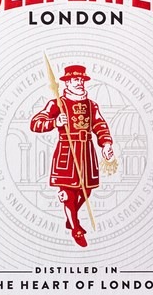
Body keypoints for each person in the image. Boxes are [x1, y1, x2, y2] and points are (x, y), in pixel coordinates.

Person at [30, 64, 114, 248]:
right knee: (68, 194)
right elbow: (35, 123)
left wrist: (106, 144)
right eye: (75, 79)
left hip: (87, 153)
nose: (79, 83)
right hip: (67, 153)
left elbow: (99, 125)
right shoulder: (57, 104)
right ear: (67, 82)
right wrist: (55, 121)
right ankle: (76, 228)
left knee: (86, 190)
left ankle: (71, 216)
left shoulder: (91, 105)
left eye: (81, 79)